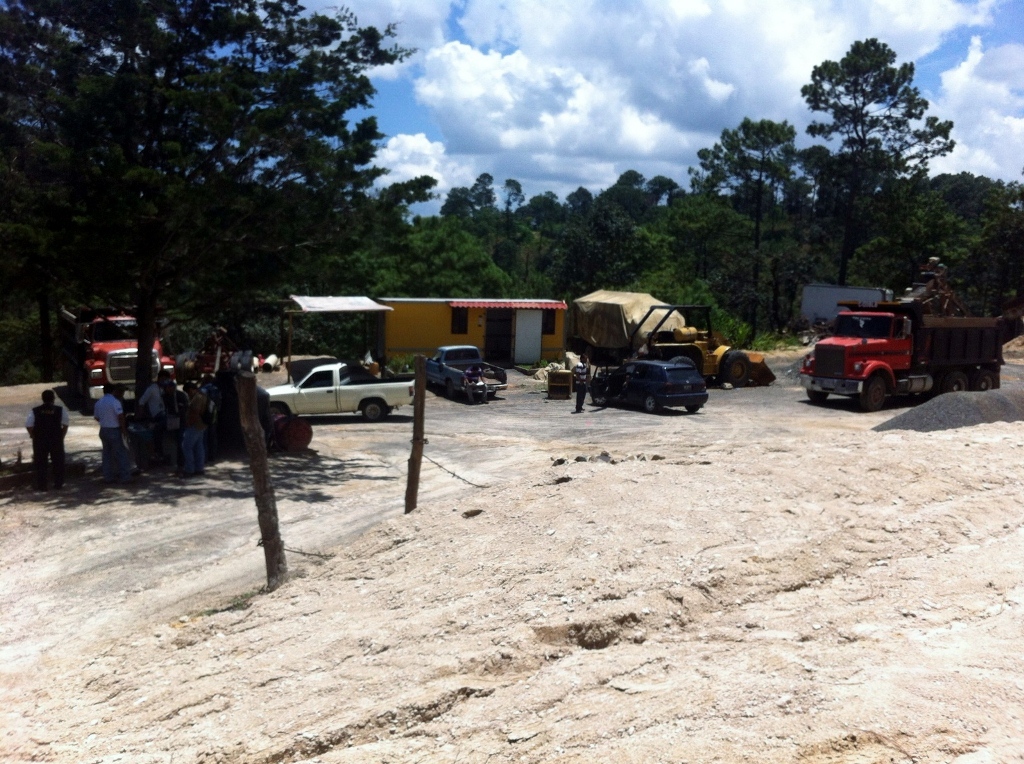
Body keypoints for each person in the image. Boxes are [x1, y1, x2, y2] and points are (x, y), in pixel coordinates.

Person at [26, 389, 68, 490]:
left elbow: (28, 425)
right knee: (58, 462)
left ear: (42, 399)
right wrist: (61, 436)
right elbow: (65, 425)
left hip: (40, 440)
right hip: (56, 440)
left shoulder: (35, 411)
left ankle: (42, 485)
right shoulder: (60, 410)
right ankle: (58, 484)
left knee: (41, 463)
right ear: (53, 398)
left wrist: (33, 435)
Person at [93, 384, 131, 484]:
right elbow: (120, 417)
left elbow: (96, 417)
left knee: (106, 454)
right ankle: (125, 476)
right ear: (113, 391)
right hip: (114, 429)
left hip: (103, 429)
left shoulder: (99, 402)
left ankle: (108, 476)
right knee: (121, 453)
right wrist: (123, 430)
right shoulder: (115, 402)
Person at [138, 370, 170, 460]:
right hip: (157, 415)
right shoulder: (152, 388)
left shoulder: (165, 388)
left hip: (165, 413)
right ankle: (158, 453)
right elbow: (142, 401)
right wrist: (141, 416)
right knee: (158, 430)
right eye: (163, 379)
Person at [181, 381, 209, 478]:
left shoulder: (197, 398)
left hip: (195, 425)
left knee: (186, 446)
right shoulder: (203, 395)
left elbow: (195, 413)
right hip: (202, 425)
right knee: (198, 447)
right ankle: (199, 468)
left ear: (192, 390)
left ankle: (189, 469)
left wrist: (189, 423)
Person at [199, 374, 221, 462]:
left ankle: (205, 457)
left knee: (204, 438)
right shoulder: (216, 389)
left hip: (204, 415)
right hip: (214, 415)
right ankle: (213, 456)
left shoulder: (203, 390)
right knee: (213, 437)